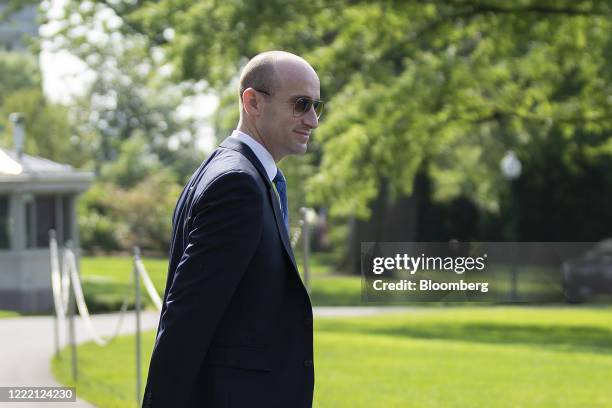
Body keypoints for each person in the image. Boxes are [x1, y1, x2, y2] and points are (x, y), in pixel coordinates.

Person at [142, 50, 323, 408]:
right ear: (252, 102)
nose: (313, 120)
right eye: (301, 104)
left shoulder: (236, 172)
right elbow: (186, 318)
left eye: (318, 106)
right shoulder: (237, 184)